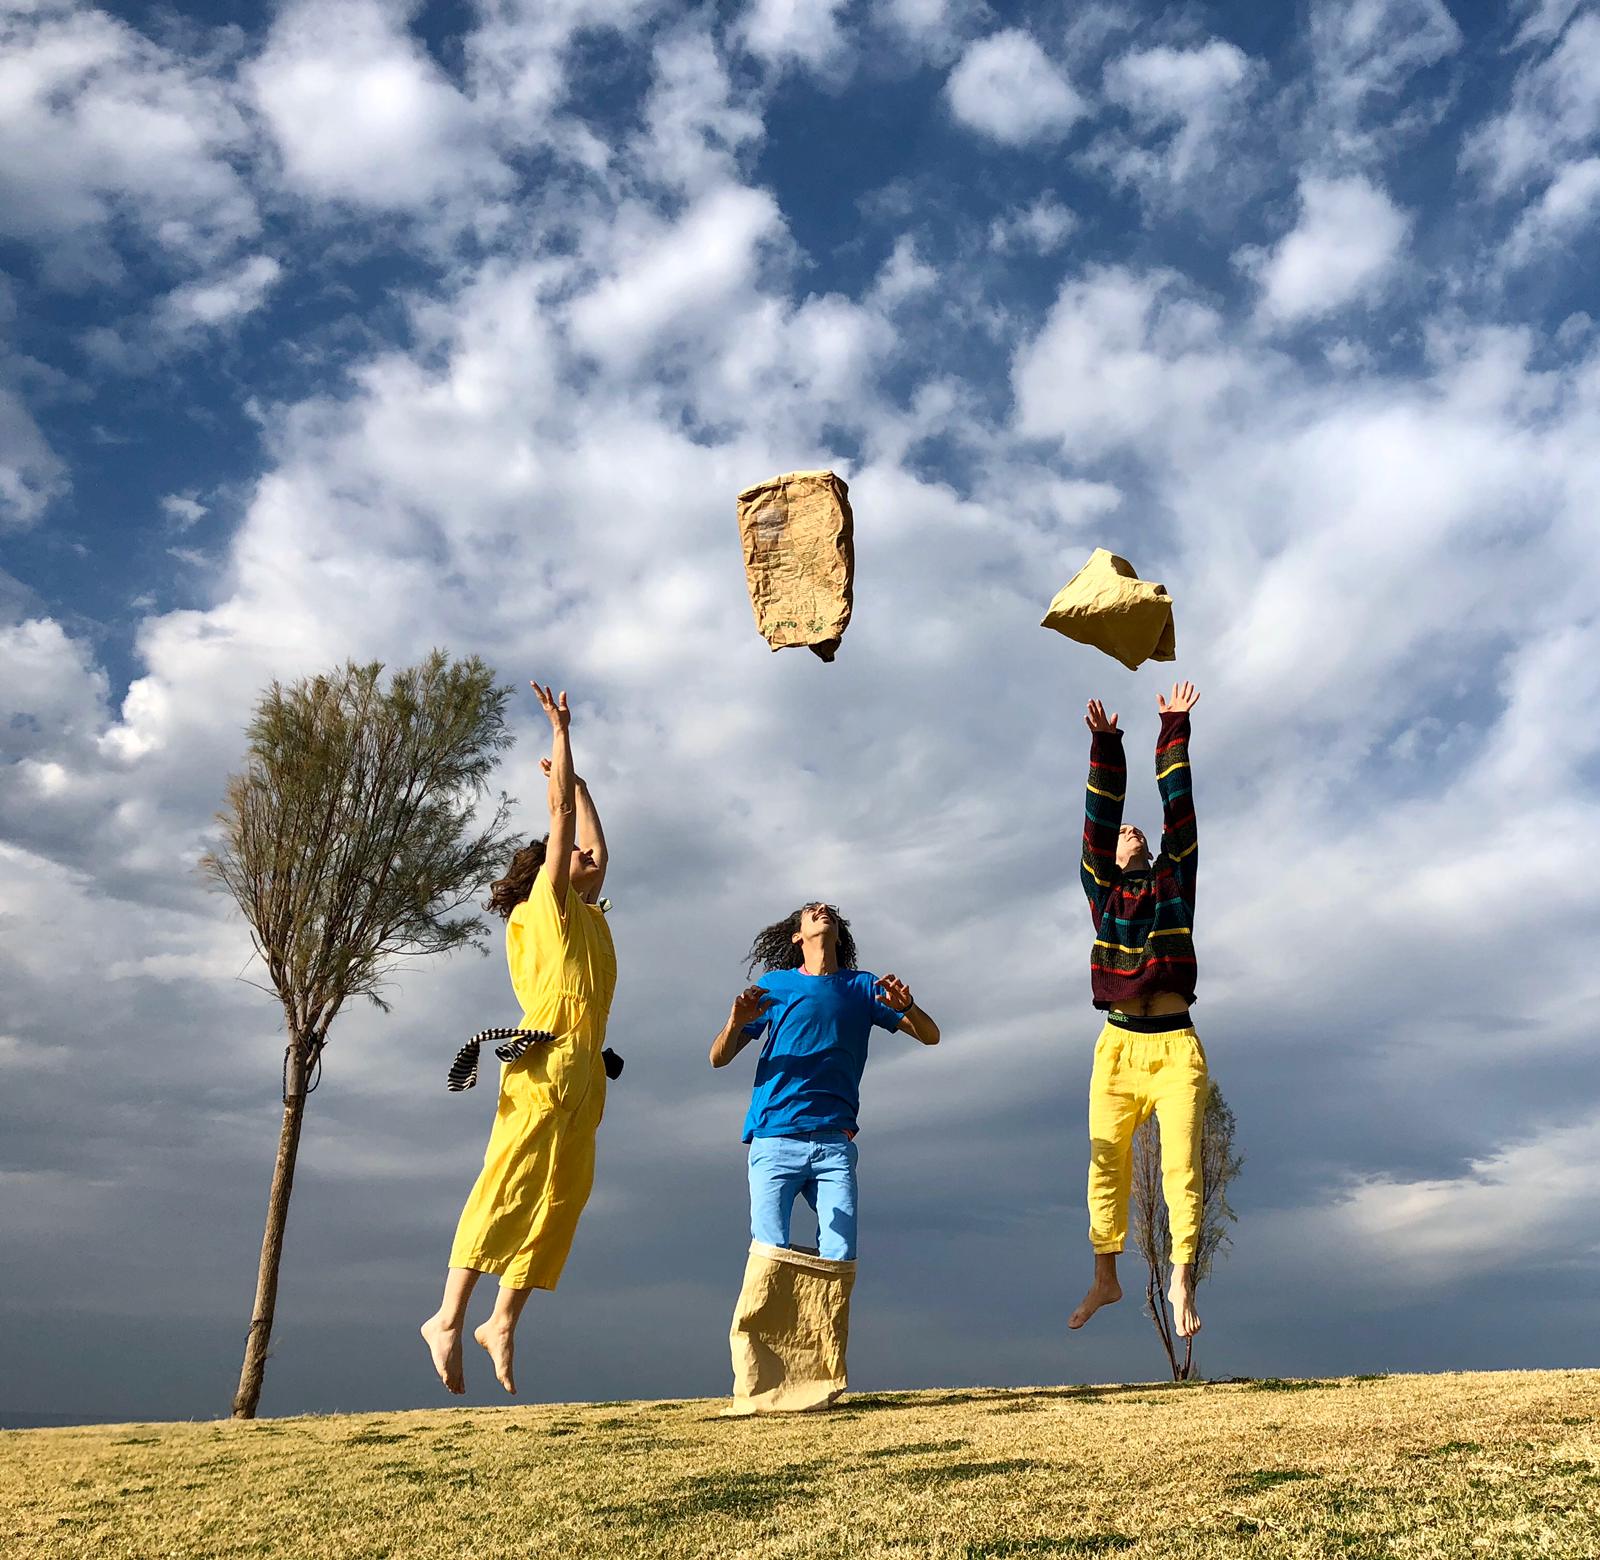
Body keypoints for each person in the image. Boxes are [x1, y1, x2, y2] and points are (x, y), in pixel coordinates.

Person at [421, 683, 615, 1395]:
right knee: (507, 1187)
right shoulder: (548, 908)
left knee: (561, 1200)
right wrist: (563, 737)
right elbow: (563, 820)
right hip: (541, 1067)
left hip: (586, 1072)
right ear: (549, 872)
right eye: (575, 859)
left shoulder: (590, 916)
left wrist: (585, 783)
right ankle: (446, 1317)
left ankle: (500, 1320)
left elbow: (592, 838)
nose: (590, 862)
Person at [1068, 680, 1206, 1340]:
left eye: (1137, 832)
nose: (1129, 830)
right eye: (1121, 835)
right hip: (1118, 1048)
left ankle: (1182, 1277)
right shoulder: (1102, 892)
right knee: (1106, 1164)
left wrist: (1172, 729)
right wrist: (1105, 744)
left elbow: (1179, 814)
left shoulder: (1175, 881)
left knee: (1181, 1166)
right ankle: (1106, 1275)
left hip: (1175, 1045)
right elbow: (1098, 817)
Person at [710, 902, 940, 1261]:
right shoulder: (775, 986)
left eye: (828, 909)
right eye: (811, 909)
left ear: (838, 931)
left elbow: (930, 1036)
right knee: (769, 1253)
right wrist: (736, 1021)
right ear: (797, 936)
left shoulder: (863, 986)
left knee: (840, 1253)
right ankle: (772, 1317)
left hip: (834, 1142)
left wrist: (907, 1006)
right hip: (774, 1136)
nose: (821, 909)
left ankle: (821, 1318)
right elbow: (718, 1058)